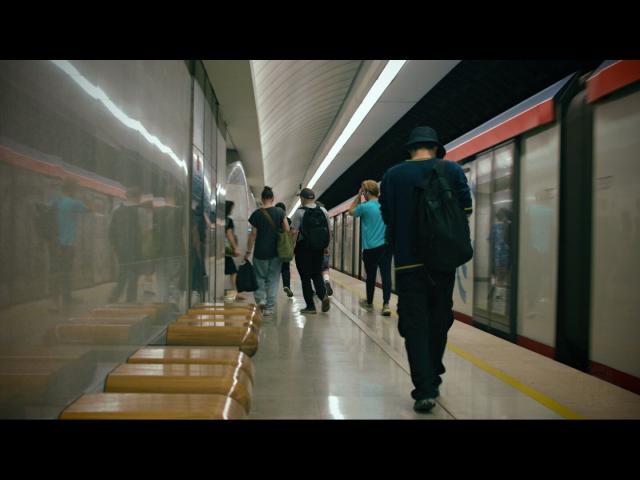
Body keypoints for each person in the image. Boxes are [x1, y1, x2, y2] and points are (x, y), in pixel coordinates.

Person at [379, 126, 472, 413]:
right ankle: (434, 371)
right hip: (442, 262)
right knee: (440, 319)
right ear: (435, 147)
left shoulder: (393, 175)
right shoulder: (452, 170)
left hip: (408, 263)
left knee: (415, 324)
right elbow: (465, 209)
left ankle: (425, 389)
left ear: (410, 149)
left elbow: (387, 215)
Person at [348, 180, 392, 316]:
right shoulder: (385, 205)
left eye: (363, 191)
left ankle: (369, 302)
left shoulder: (365, 207)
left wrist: (357, 197)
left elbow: (351, 211)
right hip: (386, 246)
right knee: (386, 276)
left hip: (370, 248)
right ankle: (386, 305)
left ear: (366, 192)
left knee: (371, 277)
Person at [49, 177, 92, 311]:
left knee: (56, 272)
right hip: (67, 243)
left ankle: (55, 301)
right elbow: (91, 209)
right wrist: (84, 196)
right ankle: (66, 298)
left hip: (54, 242)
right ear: (72, 189)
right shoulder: (74, 203)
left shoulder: (55, 202)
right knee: (66, 272)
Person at [245, 186, 290, 316]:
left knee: (259, 277)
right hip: (276, 252)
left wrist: (248, 252)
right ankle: (269, 308)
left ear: (262, 198)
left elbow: (253, 234)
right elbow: (287, 229)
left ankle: (261, 300)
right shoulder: (280, 212)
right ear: (272, 198)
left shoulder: (256, 214)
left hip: (260, 252)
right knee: (273, 279)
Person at [290, 188, 331, 314]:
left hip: (303, 249)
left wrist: (291, 249)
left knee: (305, 278)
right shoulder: (323, 211)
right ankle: (323, 295)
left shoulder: (299, 212)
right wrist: (326, 246)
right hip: (318, 248)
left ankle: (310, 307)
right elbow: (328, 230)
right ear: (313, 198)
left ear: (302, 198)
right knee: (317, 274)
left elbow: (294, 232)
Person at [108, 186, 144, 304]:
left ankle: (115, 295)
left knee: (123, 270)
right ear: (137, 198)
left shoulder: (117, 209)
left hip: (120, 247)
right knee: (134, 272)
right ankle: (130, 298)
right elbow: (144, 230)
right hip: (135, 246)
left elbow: (111, 230)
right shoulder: (140, 210)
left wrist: (113, 245)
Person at [224, 200, 244, 300]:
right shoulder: (228, 221)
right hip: (225, 251)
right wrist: (235, 248)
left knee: (230, 271)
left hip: (218, 250)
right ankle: (233, 293)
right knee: (233, 271)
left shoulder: (218, 219)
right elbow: (229, 234)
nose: (232, 210)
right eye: (232, 208)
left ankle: (232, 292)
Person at [275, 202, 294, 298]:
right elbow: (291, 233)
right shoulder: (288, 221)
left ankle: (273, 289)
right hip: (285, 248)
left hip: (274, 249)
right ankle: (287, 285)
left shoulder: (272, 220)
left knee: (274, 270)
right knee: (285, 269)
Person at [315, 201, 333, 297]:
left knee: (314, 269)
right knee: (325, 267)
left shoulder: (308, 212)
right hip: (324, 245)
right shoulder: (325, 212)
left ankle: (318, 290)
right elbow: (330, 231)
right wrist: (327, 246)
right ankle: (326, 281)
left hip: (312, 247)